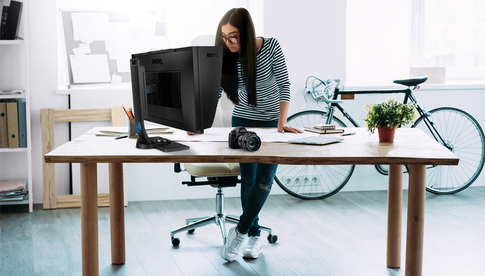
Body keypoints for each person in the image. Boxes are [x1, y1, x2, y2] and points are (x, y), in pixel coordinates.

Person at [214, 7, 302, 262]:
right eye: (224, 37)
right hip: (243, 122)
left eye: (234, 37)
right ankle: (253, 234)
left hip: (272, 122)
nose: (229, 43)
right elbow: (217, 91)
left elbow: (285, 83)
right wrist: (200, 122)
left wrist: (282, 121)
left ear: (248, 33)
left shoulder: (271, 46)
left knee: (265, 181)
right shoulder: (226, 56)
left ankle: (239, 231)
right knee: (249, 179)